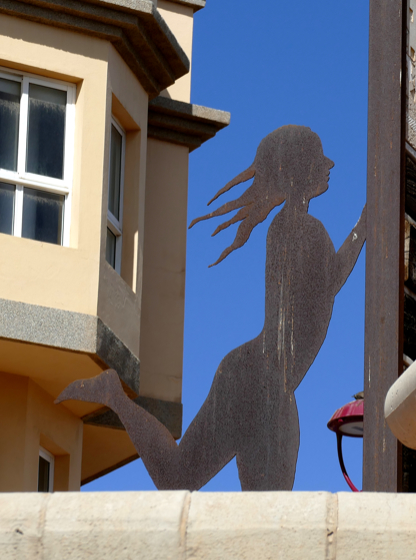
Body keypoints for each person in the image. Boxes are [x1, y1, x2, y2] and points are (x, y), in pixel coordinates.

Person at [57, 125, 366, 489]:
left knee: (189, 483)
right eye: (318, 160)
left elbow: (326, 284)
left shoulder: (292, 228)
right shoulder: (298, 230)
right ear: (299, 172)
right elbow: (329, 283)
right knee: (214, 493)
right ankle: (114, 397)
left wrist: (365, 223)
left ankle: (114, 397)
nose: (328, 166)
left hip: (265, 383)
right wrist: (365, 223)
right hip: (261, 384)